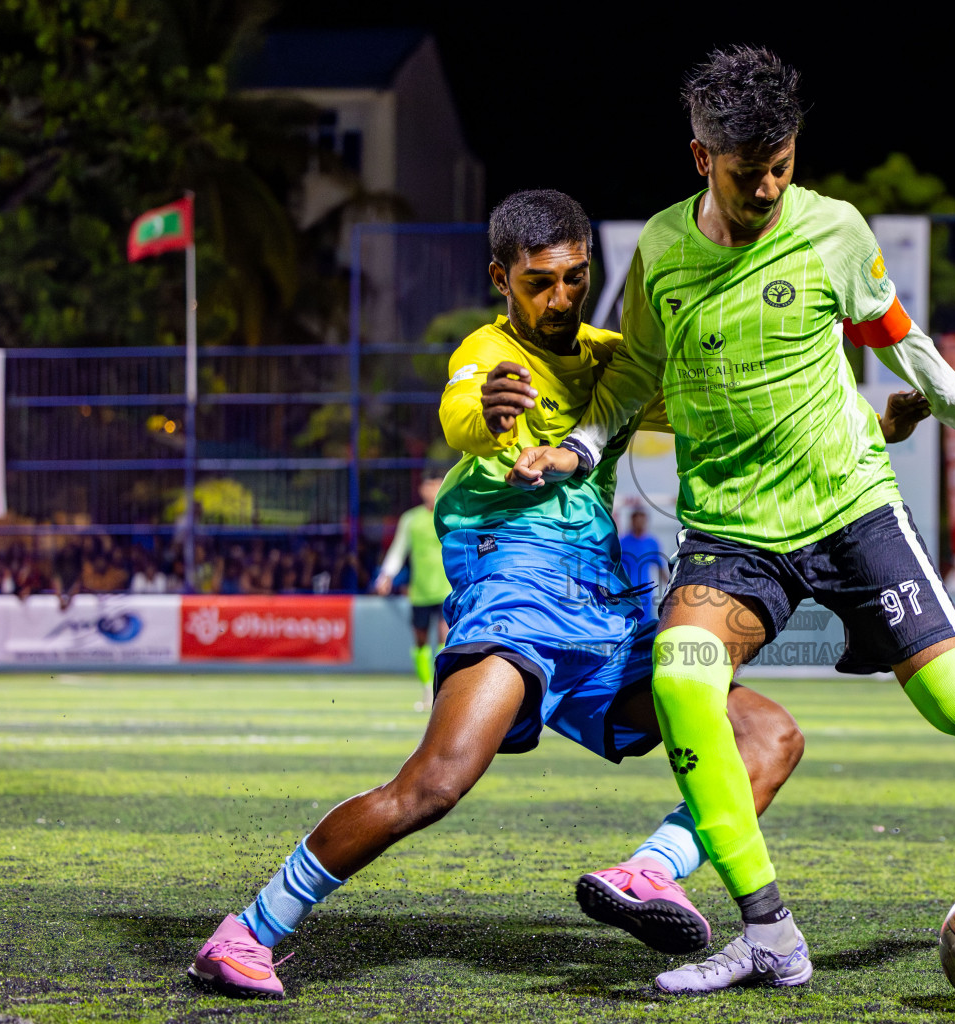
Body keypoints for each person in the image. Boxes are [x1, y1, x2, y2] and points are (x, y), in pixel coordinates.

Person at [509, 47, 955, 995]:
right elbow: (633, 376)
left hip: (850, 508)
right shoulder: (662, 247)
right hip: (734, 535)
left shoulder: (832, 232)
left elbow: (903, 343)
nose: (772, 187)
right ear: (702, 158)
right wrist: (578, 448)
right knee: (682, 674)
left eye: (784, 164)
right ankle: (769, 934)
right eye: (752, 173)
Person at [185, 189, 810, 1001]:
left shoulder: (610, 358)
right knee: (435, 783)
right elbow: (462, 412)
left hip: (607, 605)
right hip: (514, 590)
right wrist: (488, 412)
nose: (560, 299)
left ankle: (651, 870)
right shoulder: (487, 354)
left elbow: (712, 403)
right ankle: (246, 933)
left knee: (769, 735)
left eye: (576, 279)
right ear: (500, 278)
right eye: (539, 281)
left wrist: (861, 417)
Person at [373, 466, 455, 710]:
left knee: (445, 639)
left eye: (437, 486)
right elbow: (399, 549)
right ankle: (426, 690)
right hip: (420, 591)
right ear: (422, 490)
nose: (433, 491)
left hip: (446, 589)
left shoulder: (450, 514)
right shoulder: (411, 519)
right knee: (420, 643)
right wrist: (386, 575)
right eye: (429, 486)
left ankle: (442, 690)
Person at [618, 507, 666, 619]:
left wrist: (671, 588)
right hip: (626, 592)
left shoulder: (652, 542)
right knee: (628, 623)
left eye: (642, 520)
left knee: (645, 625)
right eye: (637, 520)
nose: (640, 523)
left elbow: (660, 567)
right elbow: (614, 567)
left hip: (646, 594)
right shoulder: (622, 542)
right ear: (632, 521)